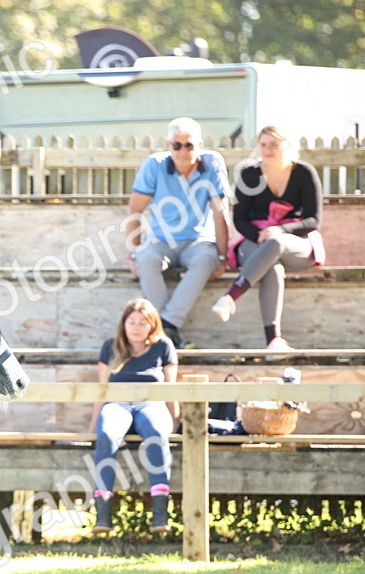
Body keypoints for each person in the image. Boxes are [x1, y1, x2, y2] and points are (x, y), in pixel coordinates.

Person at [212, 125, 324, 350]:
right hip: (256, 241)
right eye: (263, 145)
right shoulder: (249, 174)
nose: (267, 150)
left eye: (273, 145)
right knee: (273, 268)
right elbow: (240, 220)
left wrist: (280, 231)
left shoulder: (304, 172)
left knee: (277, 242)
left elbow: (314, 219)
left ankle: (231, 297)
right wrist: (259, 236)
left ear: (288, 146)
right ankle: (274, 340)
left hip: (294, 242)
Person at [124, 117, 230, 348]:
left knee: (207, 259)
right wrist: (132, 253)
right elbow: (135, 210)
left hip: (198, 241)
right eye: (177, 145)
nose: (183, 151)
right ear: (167, 144)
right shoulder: (154, 164)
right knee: (145, 259)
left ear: (199, 145)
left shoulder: (212, 163)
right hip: (161, 240)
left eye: (189, 145)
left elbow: (221, 213)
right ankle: (167, 331)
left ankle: (164, 326)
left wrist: (223, 256)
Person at [88, 298, 179, 535]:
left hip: (151, 405)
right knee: (107, 434)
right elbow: (102, 390)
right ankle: (103, 515)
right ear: (124, 324)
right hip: (117, 406)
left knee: (157, 434)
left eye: (142, 322)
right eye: (132, 322)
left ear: (152, 325)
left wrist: (175, 421)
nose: (136, 327)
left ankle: (160, 514)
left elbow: (172, 388)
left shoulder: (163, 347)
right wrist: (92, 427)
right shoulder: (111, 347)